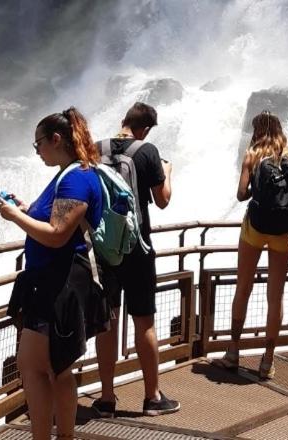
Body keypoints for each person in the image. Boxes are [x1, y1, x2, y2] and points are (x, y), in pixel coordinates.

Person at [0, 108, 108, 440]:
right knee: (58, 369)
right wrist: (26, 207)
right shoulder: (72, 174)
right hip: (57, 282)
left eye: (38, 144)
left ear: (56, 139)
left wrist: (15, 217)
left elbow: (57, 233)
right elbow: (57, 222)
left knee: (32, 367)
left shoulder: (76, 177)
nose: (37, 151)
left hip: (57, 286)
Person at [92, 102, 179, 417]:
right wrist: (167, 172)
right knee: (144, 322)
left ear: (124, 121)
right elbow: (162, 199)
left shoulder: (95, 148)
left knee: (107, 322)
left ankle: (105, 398)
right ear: (146, 129)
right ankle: (152, 397)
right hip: (138, 248)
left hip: (104, 249)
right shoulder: (147, 151)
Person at [217, 111, 288, 380]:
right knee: (276, 296)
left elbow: (240, 194)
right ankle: (267, 360)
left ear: (257, 131)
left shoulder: (252, 156)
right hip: (283, 232)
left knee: (243, 288)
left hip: (255, 229)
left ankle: (233, 352)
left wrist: (259, 192)